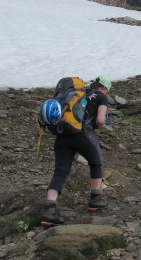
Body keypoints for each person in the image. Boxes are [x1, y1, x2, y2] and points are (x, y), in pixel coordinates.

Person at [41, 75, 112, 227]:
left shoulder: (75, 94)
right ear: (103, 88)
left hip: (62, 135)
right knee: (96, 162)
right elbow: (100, 120)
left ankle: (49, 210)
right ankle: (95, 199)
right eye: (107, 90)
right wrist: (98, 125)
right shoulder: (100, 96)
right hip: (83, 134)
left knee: (61, 170)